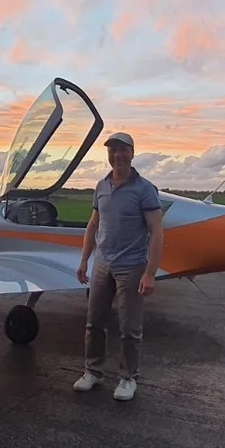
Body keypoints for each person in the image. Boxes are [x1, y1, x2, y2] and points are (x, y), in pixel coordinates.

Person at [73, 131, 164, 401]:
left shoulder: (145, 189)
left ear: (132, 153)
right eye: (112, 150)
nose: (118, 155)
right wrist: (84, 260)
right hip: (103, 264)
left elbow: (157, 232)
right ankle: (93, 371)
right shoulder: (101, 186)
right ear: (108, 155)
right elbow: (93, 224)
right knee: (94, 323)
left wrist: (150, 273)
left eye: (123, 150)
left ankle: (128, 378)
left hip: (132, 265)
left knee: (129, 328)